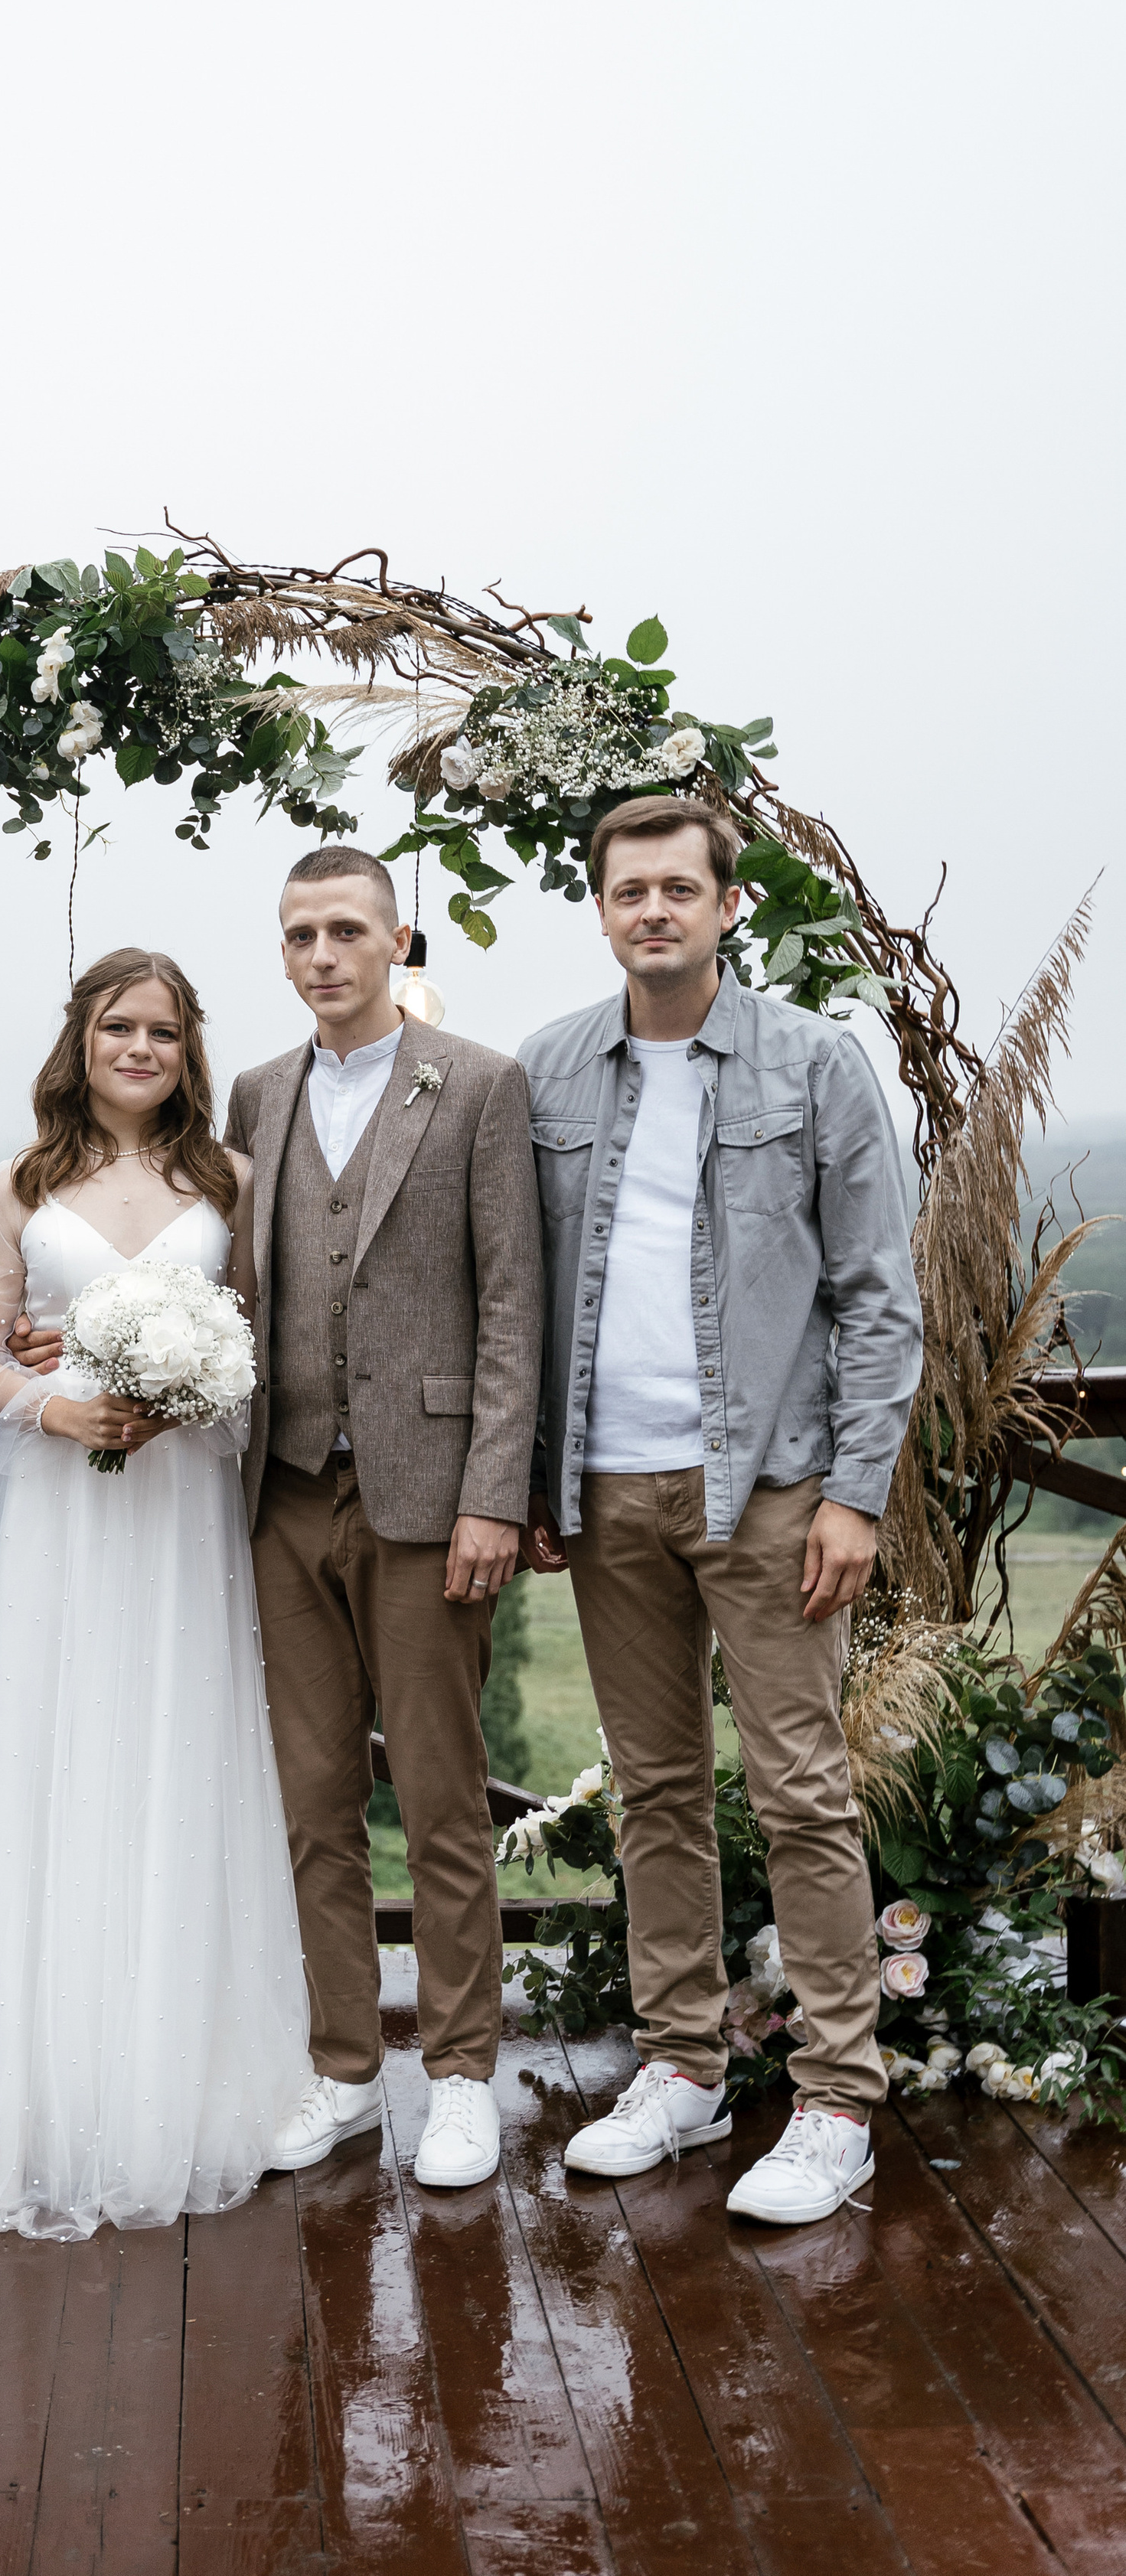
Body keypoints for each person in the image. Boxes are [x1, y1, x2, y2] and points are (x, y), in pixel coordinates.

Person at [521, 795, 922, 2225]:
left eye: (681, 888)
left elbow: (880, 1299)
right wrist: (534, 1482)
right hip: (610, 1486)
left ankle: (834, 2101)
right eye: (631, 890)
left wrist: (854, 1496)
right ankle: (685, 2068)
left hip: (770, 1490)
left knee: (802, 1792)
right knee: (656, 1793)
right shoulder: (554, 1070)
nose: (656, 911)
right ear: (603, 908)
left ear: (727, 907)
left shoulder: (815, 1066)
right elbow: (520, 1295)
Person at [0, 950, 312, 2240]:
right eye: (118, 1026)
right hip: (58, 1517)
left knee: (170, 1763)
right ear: (81, 1039)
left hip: (181, 1514)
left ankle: (176, 2069)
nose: (140, 1049)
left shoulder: (228, 1179)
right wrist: (62, 1406)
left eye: (164, 1033)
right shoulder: (23, 1181)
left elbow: (257, 1344)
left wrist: (188, 1396)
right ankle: (40, 2075)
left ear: (189, 1051)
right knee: (51, 1764)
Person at [217, 846, 543, 2189]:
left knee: (444, 1796)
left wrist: (494, 1497)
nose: (323, 956)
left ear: (396, 943)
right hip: (284, 1490)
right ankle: (346, 2066)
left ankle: (461, 2072)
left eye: (347, 931)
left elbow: (516, 1301)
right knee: (312, 1800)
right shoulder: (255, 1093)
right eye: (300, 935)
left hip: (426, 1497)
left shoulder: (477, 1082)